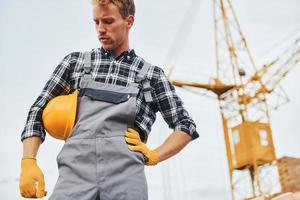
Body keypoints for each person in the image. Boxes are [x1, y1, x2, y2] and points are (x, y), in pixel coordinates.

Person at [19, 0, 199, 199]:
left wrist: (155, 154)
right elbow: (38, 109)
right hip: (74, 177)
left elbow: (185, 125)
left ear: (128, 21)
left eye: (108, 21)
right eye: (96, 22)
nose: (100, 29)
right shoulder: (75, 63)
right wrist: (28, 160)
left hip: (126, 180)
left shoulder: (151, 76)